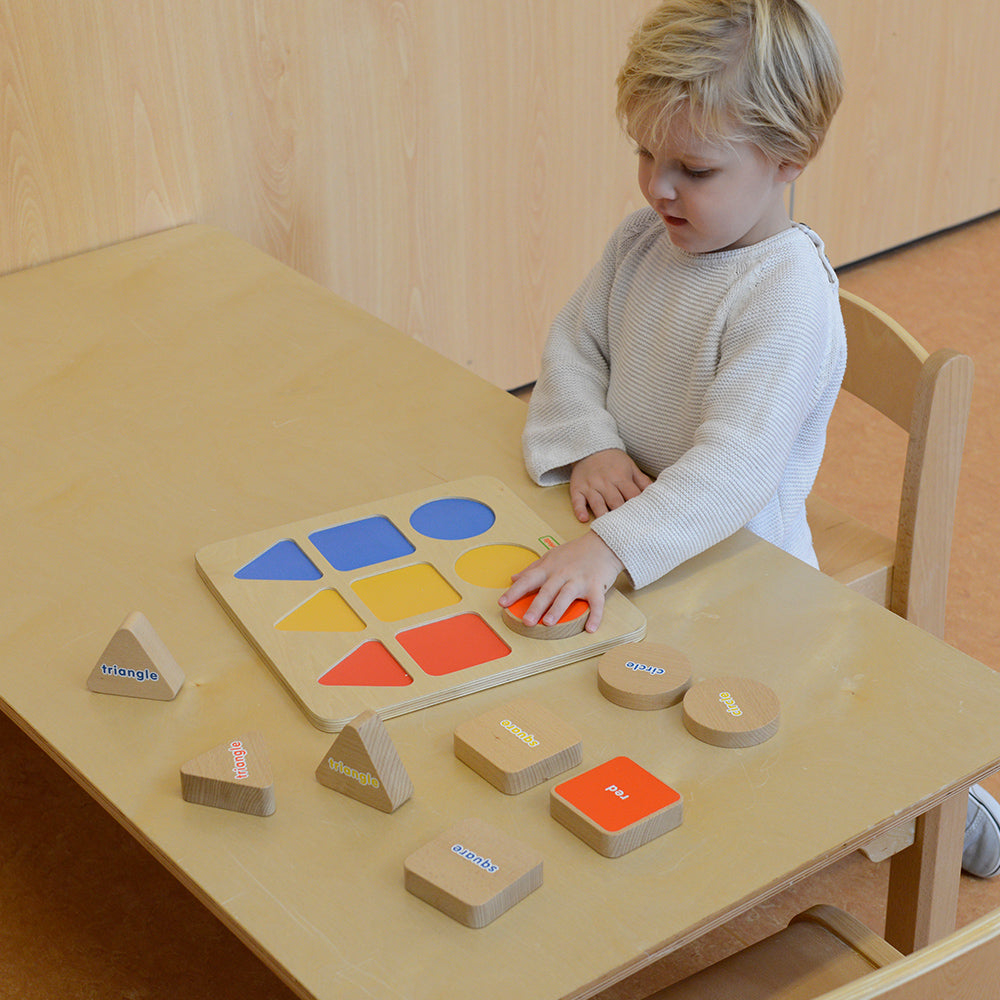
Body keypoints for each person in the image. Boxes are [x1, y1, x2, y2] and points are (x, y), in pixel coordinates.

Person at [497, 0, 1000, 878]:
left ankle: (959, 802)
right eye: (645, 154)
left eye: (692, 167)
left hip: (744, 562)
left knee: (808, 722)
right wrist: (592, 445)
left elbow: (737, 468)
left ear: (787, 162)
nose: (657, 187)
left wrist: (610, 549)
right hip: (648, 525)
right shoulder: (641, 241)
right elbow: (575, 341)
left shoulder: (787, 295)